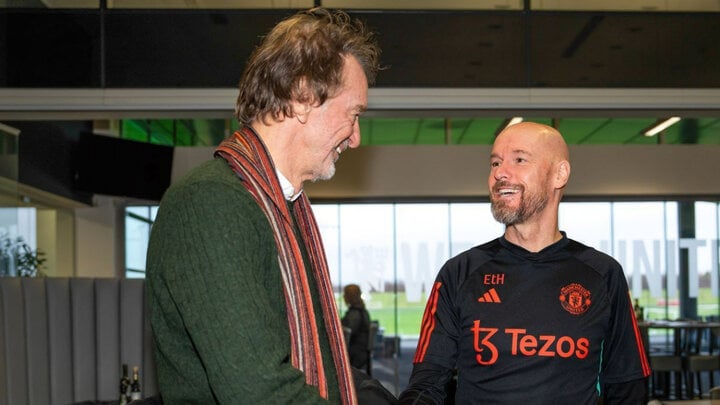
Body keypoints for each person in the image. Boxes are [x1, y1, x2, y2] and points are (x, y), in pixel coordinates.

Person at [145, 8, 386, 404]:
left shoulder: (282, 206)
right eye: (353, 114)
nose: (356, 137)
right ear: (305, 96)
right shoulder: (211, 202)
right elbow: (257, 389)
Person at [398, 122, 651, 404]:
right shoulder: (460, 273)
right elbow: (427, 383)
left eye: (519, 160)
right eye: (495, 162)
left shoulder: (602, 274)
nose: (499, 173)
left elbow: (627, 387)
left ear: (559, 174)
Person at [342, 284, 372, 371]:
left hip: (355, 354)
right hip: (362, 352)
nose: (343, 296)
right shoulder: (362, 311)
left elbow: (347, 332)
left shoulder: (355, 314)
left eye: (345, 294)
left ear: (349, 296)